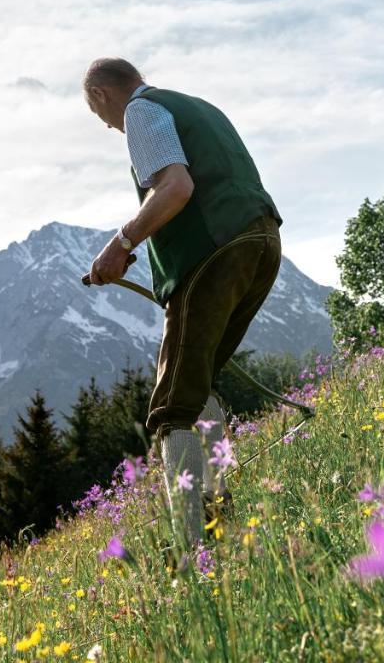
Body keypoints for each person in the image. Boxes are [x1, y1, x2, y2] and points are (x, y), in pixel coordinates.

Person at [83, 58, 282, 547]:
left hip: (212, 251)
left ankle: (191, 546)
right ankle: (221, 515)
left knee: (173, 407)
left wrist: (122, 243)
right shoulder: (197, 106)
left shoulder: (141, 113)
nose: (107, 126)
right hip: (262, 242)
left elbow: (176, 186)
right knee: (201, 381)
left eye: (98, 115)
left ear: (102, 96)